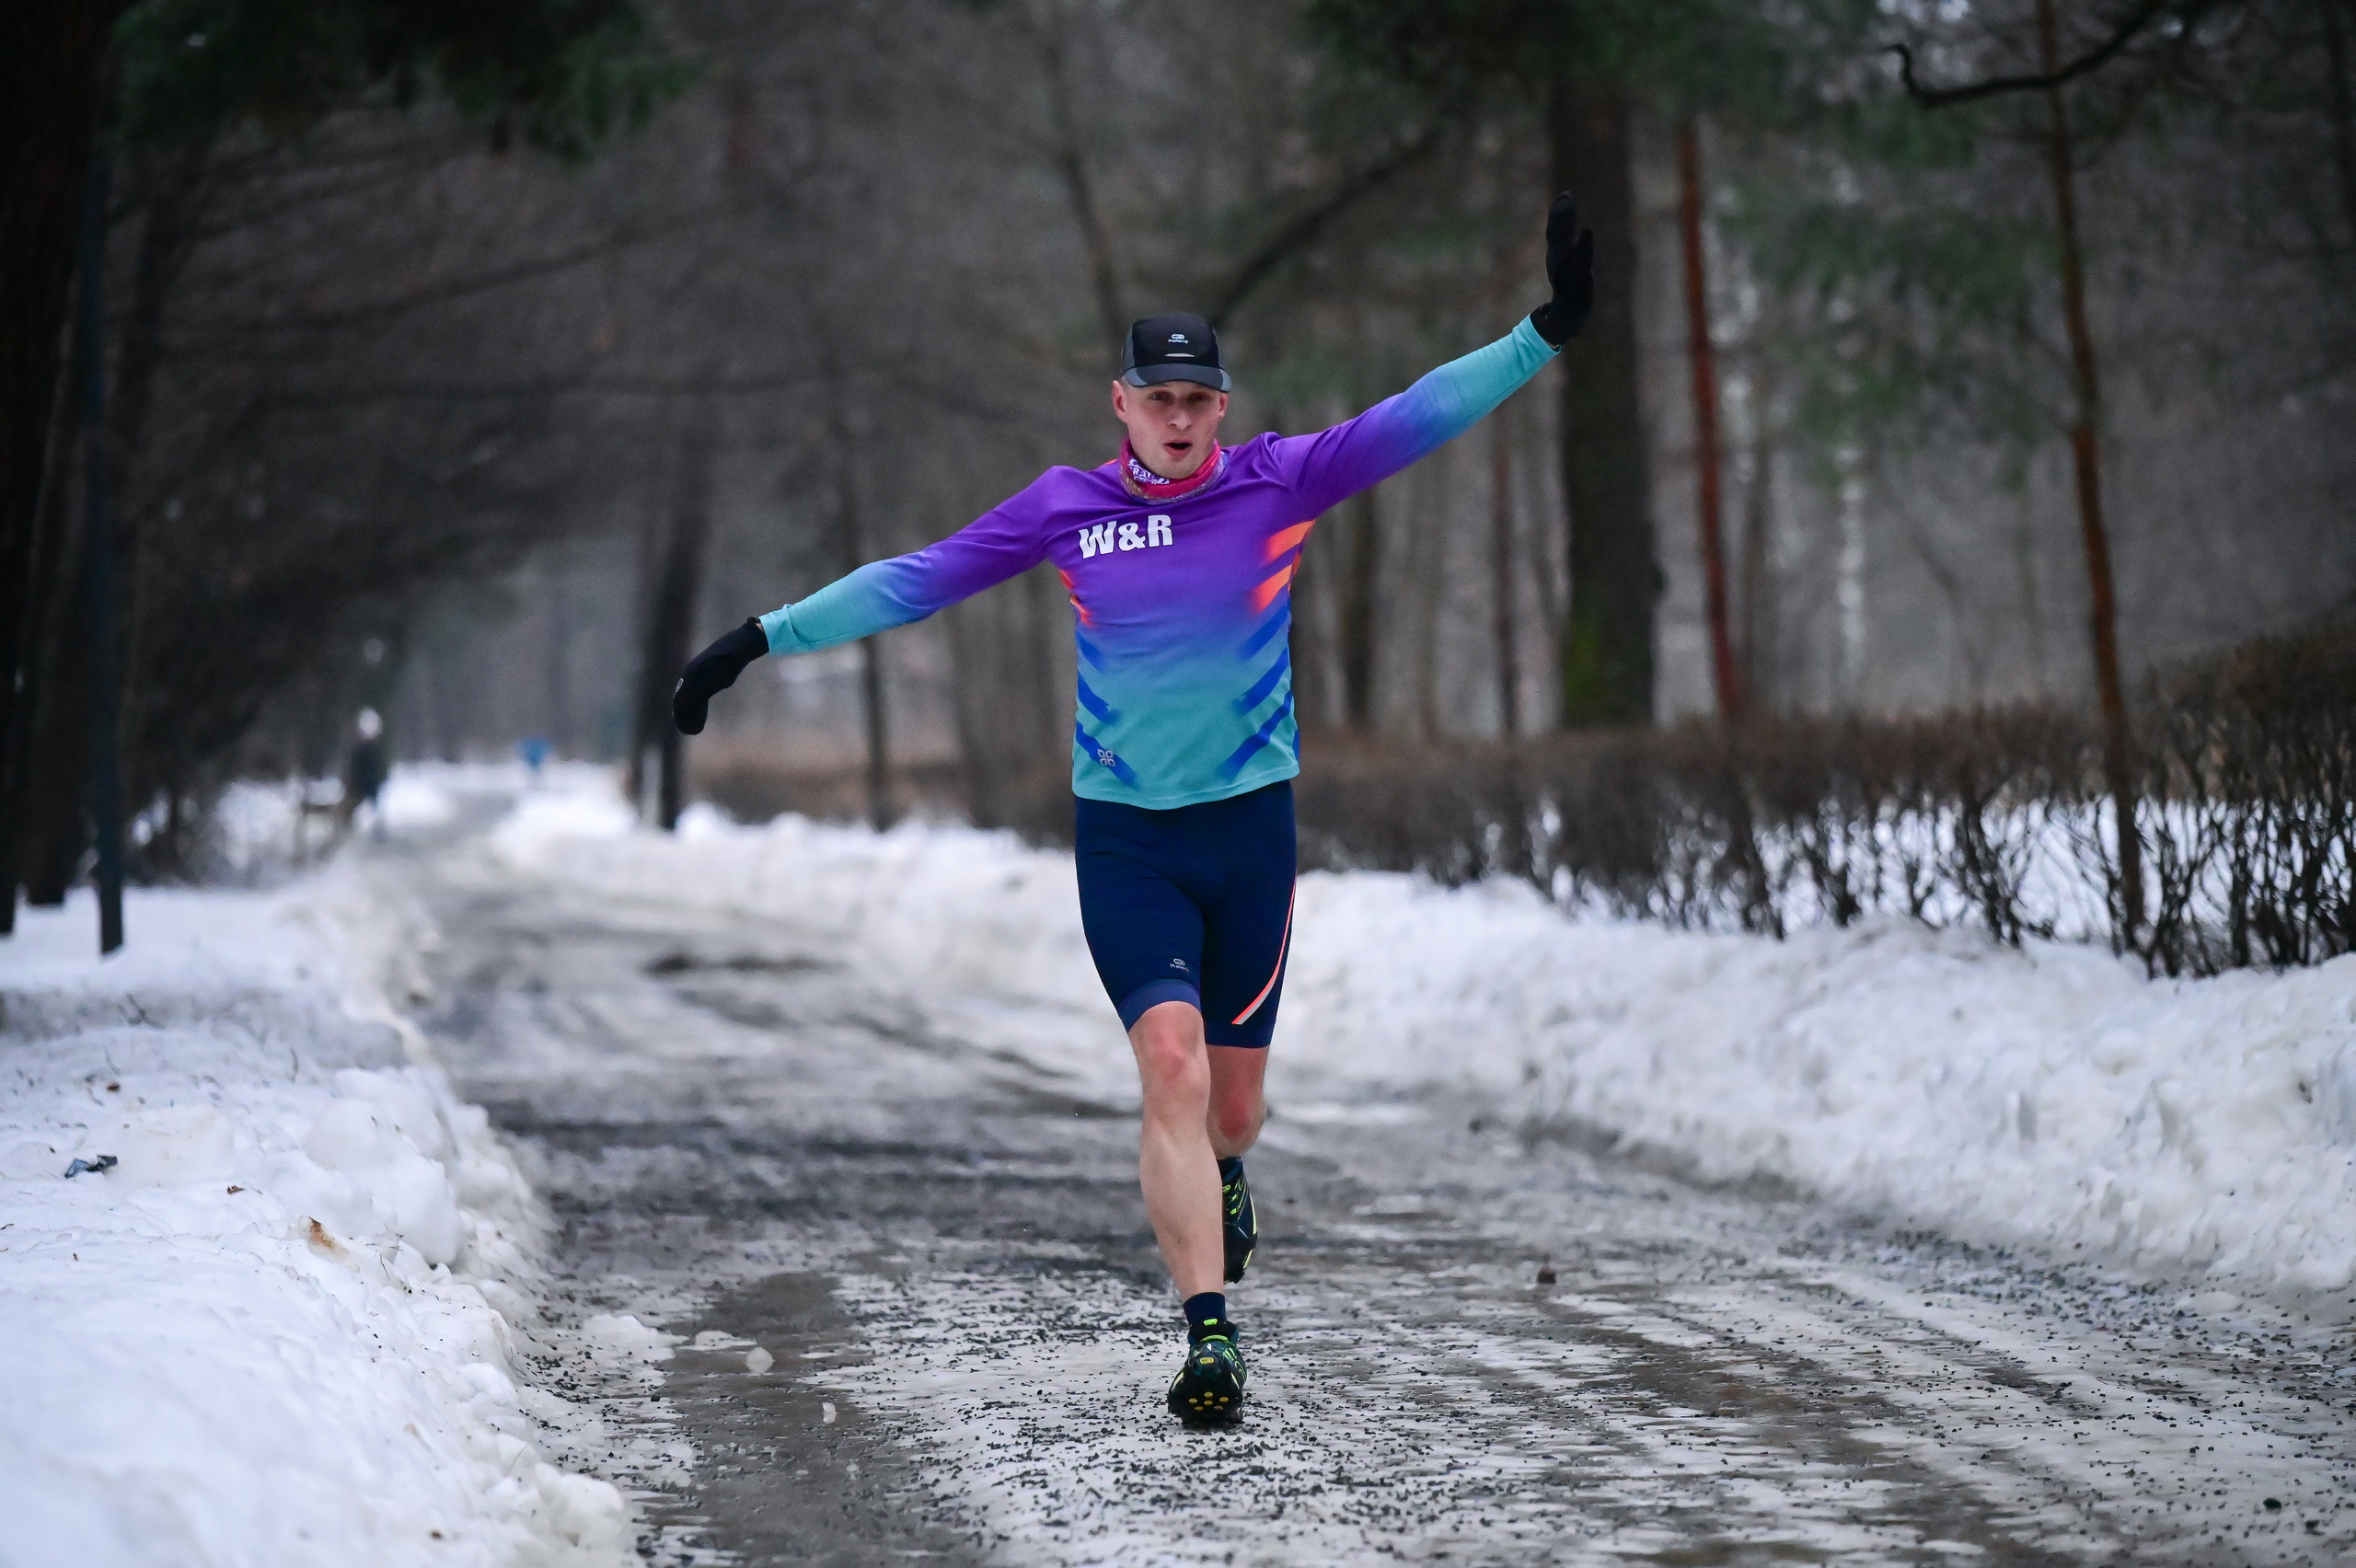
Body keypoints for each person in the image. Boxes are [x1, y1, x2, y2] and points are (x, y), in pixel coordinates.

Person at [673, 195, 1597, 1428]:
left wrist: (1545, 332)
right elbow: (915, 580)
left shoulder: (1280, 482)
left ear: (1221, 405)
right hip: (1128, 841)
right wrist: (755, 640)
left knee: (1233, 1110)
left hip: (1248, 831)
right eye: (1156, 398)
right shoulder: (1066, 510)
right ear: (1121, 403)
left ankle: (1227, 1173)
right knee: (1169, 1064)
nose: (1177, 418)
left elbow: (1416, 413)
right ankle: (1209, 1335)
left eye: (1196, 399)